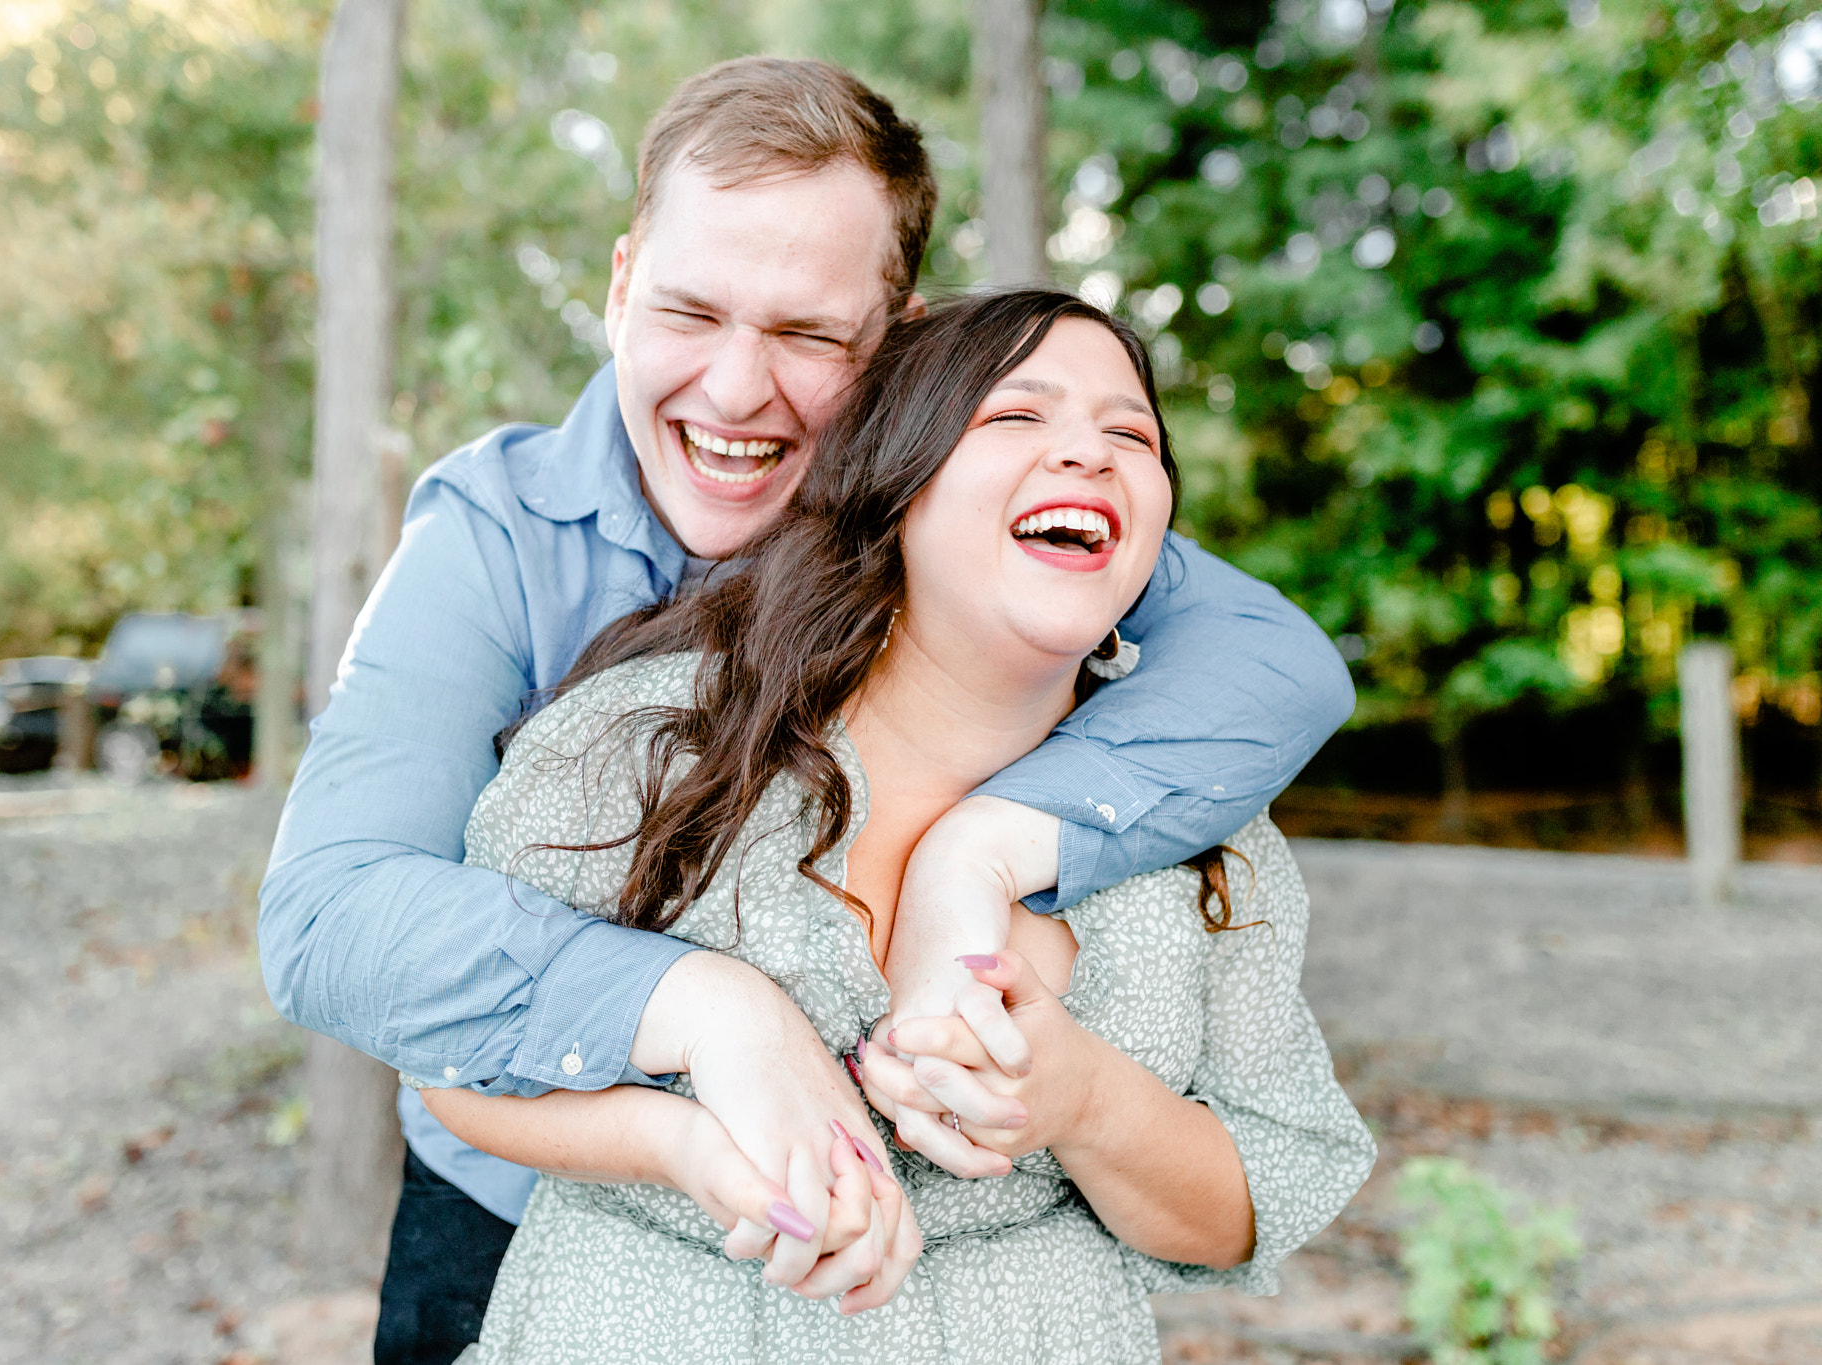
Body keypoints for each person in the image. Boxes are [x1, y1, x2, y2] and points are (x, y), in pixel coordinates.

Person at [257, 57, 1355, 1364]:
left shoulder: (1011, 525)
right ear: (620, 286)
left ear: (900, 344)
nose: (732, 391)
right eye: (689, 312)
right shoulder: (500, 537)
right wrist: (707, 1012)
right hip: (527, 1206)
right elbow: (331, 918)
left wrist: (985, 847)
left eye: (807, 336)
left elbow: (1278, 665)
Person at [419, 288, 1376, 1362]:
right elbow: (451, 1069)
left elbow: (1243, 1212)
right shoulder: (654, 746)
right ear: (896, 477)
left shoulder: (1203, 836)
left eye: (1129, 434)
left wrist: (1081, 1099)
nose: (1089, 456)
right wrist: (680, 1146)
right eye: (1017, 417)